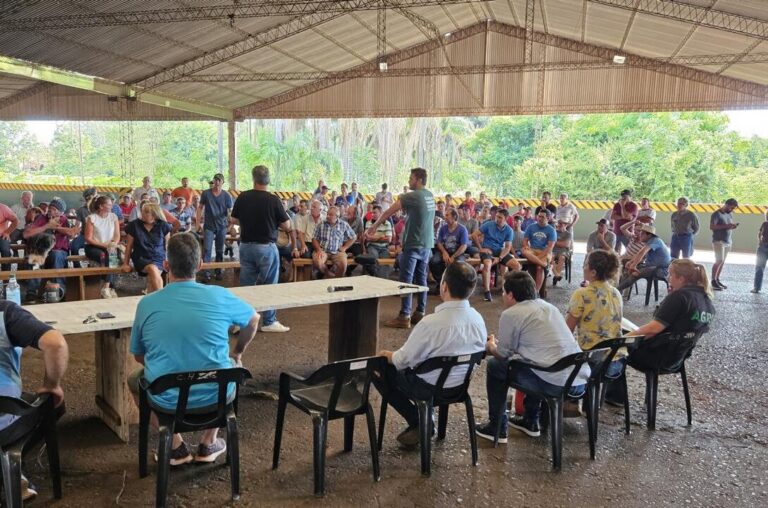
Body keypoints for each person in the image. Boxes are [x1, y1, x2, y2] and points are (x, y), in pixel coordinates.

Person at [128, 233, 260, 465]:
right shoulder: (220, 295)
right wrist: (237, 352)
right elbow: (254, 319)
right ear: (200, 265)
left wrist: (168, 366)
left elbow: (139, 355)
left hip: (167, 399)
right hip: (216, 395)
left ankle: (175, 445)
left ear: (166, 265)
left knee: (133, 381)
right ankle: (209, 442)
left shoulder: (147, 303)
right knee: (232, 367)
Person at [375, 261, 486, 446]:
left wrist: (387, 354)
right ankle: (426, 419)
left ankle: (419, 421)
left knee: (378, 368)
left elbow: (402, 360)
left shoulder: (430, 323)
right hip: (458, 388)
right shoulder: (478, 319)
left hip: (426, 388)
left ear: (444, 286)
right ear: (472, 289)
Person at [475, 271, 589, 442]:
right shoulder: (549, 307)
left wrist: (490, 346)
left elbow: (503, 355)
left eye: (504, 293)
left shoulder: (511, 314)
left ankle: (496, 427)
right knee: (534, 362)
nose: (504, 297)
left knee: (495, 366)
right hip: (579, 382)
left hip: (554, 384)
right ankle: (530, 420)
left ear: (511, 295)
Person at [0, 300, 68, 501]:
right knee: (53, 404)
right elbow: (56, 343)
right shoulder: (6, 314)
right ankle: (9, 470)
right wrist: (51, 385)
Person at [365, 167, 436, 329]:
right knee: (421, 278)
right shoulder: (429, 195)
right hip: (426, 243)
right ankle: (420, 311)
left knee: (407, 280)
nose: (409, 181)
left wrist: (375, 225)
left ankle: (404, 315)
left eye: (411, 178)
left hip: (413, 242)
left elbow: (389, 211)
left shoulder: (413, 196)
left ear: (418, 180)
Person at [230, 165, 294, 333]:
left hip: (245, 246)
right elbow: (286, 225)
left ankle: (241, 321)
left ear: (253, 178)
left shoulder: (243, 197)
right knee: (269, 285)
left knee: (247, 285)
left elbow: (234, 219)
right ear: (268, 179)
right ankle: (269, 321)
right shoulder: (273, 200)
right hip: (266, 247)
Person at [629, 259, 715, 372]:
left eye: (671, 274)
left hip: (655, 356)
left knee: (615, 352)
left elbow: (653, 329)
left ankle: (613, 388)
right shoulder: (707, 301)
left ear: (681, 279)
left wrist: (622, 339)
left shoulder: (680, 297)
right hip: (678, 359)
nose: (668, 278)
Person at [566, 249, 625, 405]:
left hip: (592, 364)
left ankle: (565, 405)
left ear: (592, 272)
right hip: (615, 363)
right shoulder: (616, 293)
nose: (583, 267)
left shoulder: (581, 294)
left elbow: (566, 331)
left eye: (585, 264)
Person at [23, 197, 80, 302]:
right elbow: (26, 234)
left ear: (61, 212)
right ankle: (32, 292)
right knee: (36, 256)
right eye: (50, 207)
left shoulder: (64, 220)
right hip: (41, 252)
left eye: (54, 209)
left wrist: (56, 228)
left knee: (56, 255)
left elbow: (72, 233)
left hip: (58, 253)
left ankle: (59, 290)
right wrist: (47, 226)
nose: (50, 210)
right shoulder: (41, 218)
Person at [122, 203, 172, 294]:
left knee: (151, 280)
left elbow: (168, 246)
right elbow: (129, 246)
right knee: (152, 269)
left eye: (146, 212)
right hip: (141, 258)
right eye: (142, 211)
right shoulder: (134, 225)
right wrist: (126, 263)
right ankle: (162, 298)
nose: (142, 213)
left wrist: (169, 261)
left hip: (159, 258)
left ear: (154, 214)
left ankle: (152, 302)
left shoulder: (164, 226)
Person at [476, 208, 521, 302]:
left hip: (500, 251)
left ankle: (507, 286)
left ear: (506, 218)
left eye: (500, 217)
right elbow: (474, 235)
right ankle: (487, 291)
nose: (497, 219)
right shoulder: (488, 224)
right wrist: (481, 249)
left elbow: (508, 247)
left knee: (517, 266)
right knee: (487, 264)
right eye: (497, 216)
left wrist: (500, 258)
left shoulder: (509, 230)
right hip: (487, 250)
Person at [197, 173, 234, 282]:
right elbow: (200, 208)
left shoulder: (227, 196)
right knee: (207, 249)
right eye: (215, 180)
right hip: (209, 226)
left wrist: (231, 224)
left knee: (219, 250)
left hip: (222, 226)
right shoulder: (206, 194)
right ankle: (206, 272)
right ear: (213, 181)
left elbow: (230, 211)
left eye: (219, 180)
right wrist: (198, 223)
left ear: (222, 182)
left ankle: (218, 271)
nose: (217, 182)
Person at [615, 224, 671, 293]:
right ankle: (618, 292)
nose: (640, 234)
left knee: (634, 274)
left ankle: (615, 291)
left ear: (649, 235)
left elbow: (642, 252)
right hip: (651, 266)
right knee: (627, 270)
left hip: (661, 269)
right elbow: (640, 254)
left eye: (642, 233)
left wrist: (633, 265)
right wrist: (631, 262)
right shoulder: (650, 241)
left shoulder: (656, 240)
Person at [84, 195, 121, 299]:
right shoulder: (92, 218)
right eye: (109, 204)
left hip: (110, 246)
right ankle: (110, 287)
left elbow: (117, 235)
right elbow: (88, 238)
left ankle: (106, 287)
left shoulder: (113, 216)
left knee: (113, 255)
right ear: (101, 206)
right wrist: (106, 246)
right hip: (93, 246)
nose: (111, 206)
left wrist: (113, 243)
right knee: (104, 256)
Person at [312, 206, 357, 279]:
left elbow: (353, 237)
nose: (328, 216)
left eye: (331, 215)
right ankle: (329, 275)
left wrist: (344, 247)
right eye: (327, 214)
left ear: (337, 216)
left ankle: (336, 281)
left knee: (343, 265)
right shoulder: (321, 224)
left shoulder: (343, 224)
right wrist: (319, 250)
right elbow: (314, 238)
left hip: (337, 251)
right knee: (318, 262)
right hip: (323, 250)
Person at [429, 208, 470, 285]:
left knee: (458, 265)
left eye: (447, 215)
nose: (445, 217)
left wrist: (453, 257)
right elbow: (439, 242)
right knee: (433, 262)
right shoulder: (443, 228)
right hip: (445, 251)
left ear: (454, 217)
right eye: (445, 215)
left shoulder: (462, 229)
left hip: (457, 253)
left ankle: (455, 286)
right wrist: (444, 252)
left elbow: (464, 246)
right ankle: (441, 283)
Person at [522, 209, 557, 293]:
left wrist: (537, 258)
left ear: (548, 218)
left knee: (539, 268)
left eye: (542, 217)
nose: (540, 218)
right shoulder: (531, 227)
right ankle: (545, 266)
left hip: (545, 252)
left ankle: (536, 292)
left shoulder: (551, 230)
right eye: (539, 216)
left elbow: (549, 248)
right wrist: (526, 246)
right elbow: (525, 240)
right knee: (524, 251)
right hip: (533, 250)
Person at [710, 198, 739, 291]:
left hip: (727, 241)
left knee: (722, 262)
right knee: (719, 260)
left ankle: (717, 279)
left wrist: (732, 226)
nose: (732, 210)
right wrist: (727, 226)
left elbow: (728, 225)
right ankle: (713, 280)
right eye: (731, 207)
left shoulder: (729, 214)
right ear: (726, 204)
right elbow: (712, 227)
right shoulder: (716, 214)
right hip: (718, 241)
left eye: (733, 208)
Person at [363, 204, 392, 278]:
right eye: (372, 213)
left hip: (384, 247)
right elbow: (367, 238)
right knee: (373, 258)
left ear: (381, 213)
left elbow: (388, 239)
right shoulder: (368, 223)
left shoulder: (387, 223)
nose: (372, 214)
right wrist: (381, 237)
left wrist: (373, 238)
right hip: (372, 246)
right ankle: (377, 278)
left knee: (385, 262)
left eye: (375, 213)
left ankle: (382, 280)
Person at [611, 189, 638, 254]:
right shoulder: (617, 205)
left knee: (629, 250)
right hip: (616, 231)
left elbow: (629, 217)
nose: (623, 198)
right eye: (622, 196)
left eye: (625, 196)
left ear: (630, 197)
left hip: (627, 232)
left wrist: (622, 206)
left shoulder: (633, 206)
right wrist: (623, 216)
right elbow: (612, 217)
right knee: (615, 251)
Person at [551, 220, 573, 286]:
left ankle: (555, 275)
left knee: (562, 257)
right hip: (553, 250)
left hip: (564, 251)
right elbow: (550, 242)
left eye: (561, 224)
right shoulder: (554, 232)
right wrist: (560, 243)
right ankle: (557, 275)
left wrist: (555, 242)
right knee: (550, 257)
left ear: (565, 225)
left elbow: (566, 245)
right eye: (558, 223)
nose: (559, 225)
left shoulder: (568, 234)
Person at [751, 210, 768, 294]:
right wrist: (760, 241)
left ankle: (756, 287)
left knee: (759, 268)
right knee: (759, 268)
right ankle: (756, 287)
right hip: (763, 247)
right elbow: (760, 232)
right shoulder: (765, 223)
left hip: (763, 247)